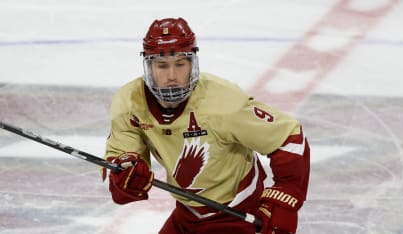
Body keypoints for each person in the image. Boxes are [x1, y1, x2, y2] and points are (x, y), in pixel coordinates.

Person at [102, 17, 310, 234]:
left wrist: (284, 199)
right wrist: (125, 174)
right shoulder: (130, 103)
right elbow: (121, 162)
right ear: (148, 66)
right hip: (186, 213)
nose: (171, 76)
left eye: (180, 64)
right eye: (161, 65)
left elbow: (289, 138)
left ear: (193, 63)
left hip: (237, 211)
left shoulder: (223, 103)